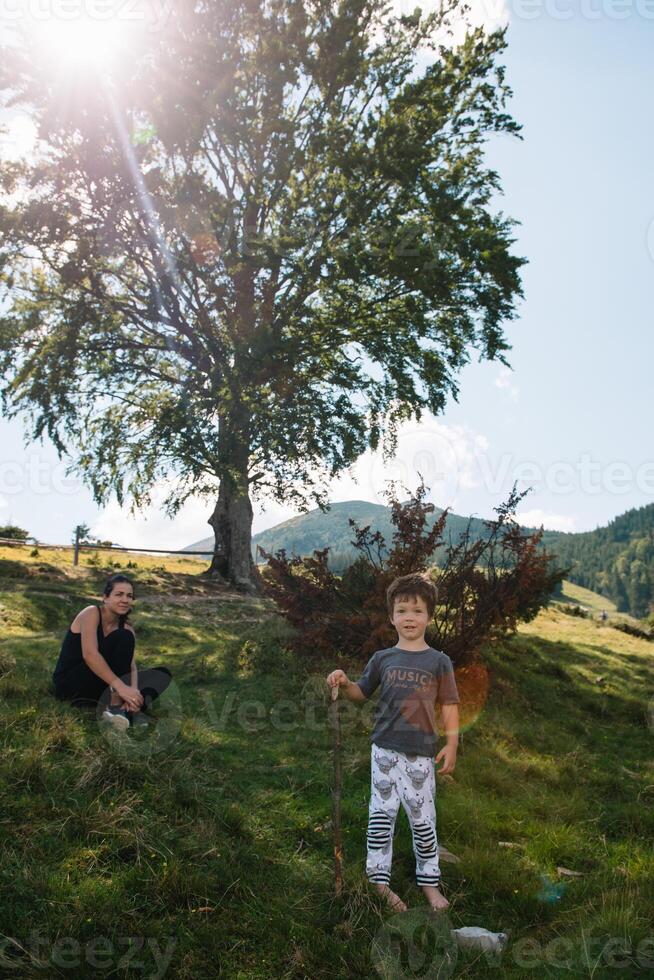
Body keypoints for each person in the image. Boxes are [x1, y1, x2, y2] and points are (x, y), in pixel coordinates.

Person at [326, 572, 460, 914]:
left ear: (429, 616)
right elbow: (360, 694)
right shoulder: (383, 658)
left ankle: (429, 883)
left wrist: (452, 743)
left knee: (423, 820)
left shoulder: (438, 661)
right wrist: (344, 681)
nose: (409, 617)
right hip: (384, 749)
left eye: (416, 611)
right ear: (392, 617)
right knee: (381, 816)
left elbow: (450, 705)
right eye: (402, 610)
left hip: (421, 754)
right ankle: (379, 881)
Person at [52, 573, 172, 731]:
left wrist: (133, 691)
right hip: (71, 684)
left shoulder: (127, 628)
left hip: (100, 686)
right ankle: (116, 708)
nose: (125, 600)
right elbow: (89, 655)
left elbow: (131, 666)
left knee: (162, 673)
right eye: (119, 594)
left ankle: (127, 709)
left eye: (129, 596)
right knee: (122, 637)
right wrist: (122, 688)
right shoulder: (91, 613)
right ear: (105, 597)